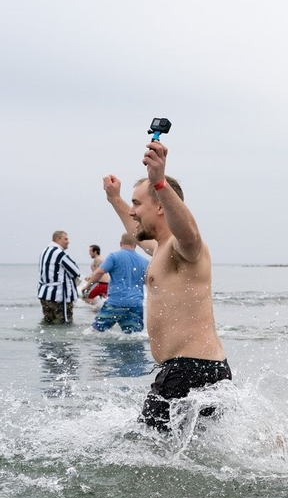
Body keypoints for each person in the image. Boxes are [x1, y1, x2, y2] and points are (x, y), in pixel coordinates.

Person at [101, 140, 231, 432]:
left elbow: (190, 234)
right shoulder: (160, 248)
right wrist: (115, 199)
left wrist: (159, 182)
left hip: (189, 370)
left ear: (161, 208)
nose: (132, 212)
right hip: (196, 369)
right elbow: (136, 231)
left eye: (137, 204)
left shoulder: (182, 247)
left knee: (142, 453)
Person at [78, 233, 148, 333]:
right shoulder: (144, 261)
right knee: (133, 336)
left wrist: (87, 285)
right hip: (135, 303)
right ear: (135, 244)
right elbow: (149, 282)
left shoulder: (114, 256)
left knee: (94, 332)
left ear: (120, 243)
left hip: (116, 302)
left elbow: (99, 272)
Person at [37, 230, 82, 324]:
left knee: (48, 324)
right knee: (63, 324)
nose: (68, 241)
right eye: (65, 239)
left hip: (45, 295)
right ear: (58, 239)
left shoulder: (44, 251)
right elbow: (75, 271)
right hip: (59, 296)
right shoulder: (59, 253)